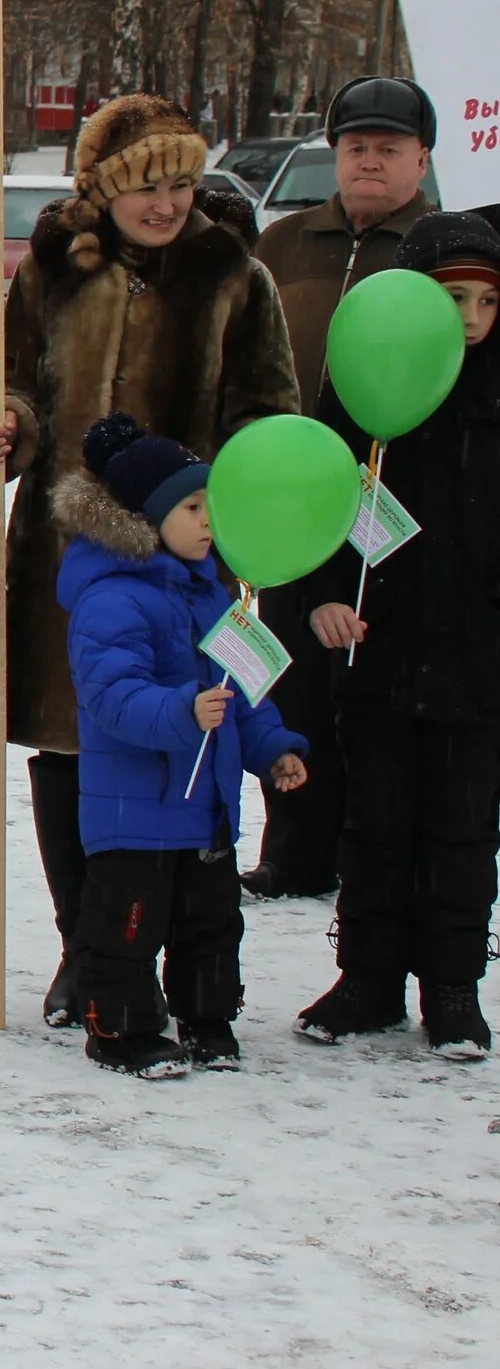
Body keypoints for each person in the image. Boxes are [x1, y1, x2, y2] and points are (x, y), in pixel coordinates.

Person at [0, 94, 298, 1029]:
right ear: (105, 188)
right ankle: (87, 947)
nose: (167, 203)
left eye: (183, 183)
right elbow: (17, 384)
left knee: (175, 749)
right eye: (147, 186)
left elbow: (268, 411)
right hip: (64, 563)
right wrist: (6, 426)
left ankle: (171, 950)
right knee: (70, 746)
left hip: (187, 560)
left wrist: (240, 502)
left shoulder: (234, 275)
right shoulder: (46, 272)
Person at [295, 211, 500, 1059]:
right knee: (374, 821)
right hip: (378, 646)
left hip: (481, 656)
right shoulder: (367, 387)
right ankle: (368, 977)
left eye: (488, 302)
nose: (471, 320)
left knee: (462, 828)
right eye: (453, 298)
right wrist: (323, 597)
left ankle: (453, 985)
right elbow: (314, 502)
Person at [57, 415, 309, 1078]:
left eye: (212, 507)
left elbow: (241, 692)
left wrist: (273, 747)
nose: (208, 522)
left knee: (212, 922)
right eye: (193, 508)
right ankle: (120, 1028)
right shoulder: (112, 600)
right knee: (128, 925)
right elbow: (110, 698)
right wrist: (181, 710)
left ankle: (207, 1017)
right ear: (150, 516)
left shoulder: (212, 595)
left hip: (206, 805)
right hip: (135, 808)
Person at [246, 75, 437, 901]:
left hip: (401, 501)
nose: (369, 162)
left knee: (374, 677)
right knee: (287, 671)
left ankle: (374, 845)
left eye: (388, 149)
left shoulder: (439, 245)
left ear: (421, 159)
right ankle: (295, 845)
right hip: (286, 496)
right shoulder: (283, 244)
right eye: (355, 147)